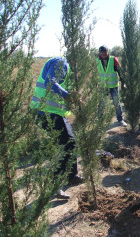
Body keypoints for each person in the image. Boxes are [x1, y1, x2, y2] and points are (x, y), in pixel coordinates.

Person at [30, 57, 84, 199]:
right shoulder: (61, 62)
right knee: (63, 146)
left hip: (54, 112)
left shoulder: (68, 69)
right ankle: (55, 187)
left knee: (70, 143)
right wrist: (68, 95)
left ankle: (72, 175)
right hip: (45, 112)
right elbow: (50, 82)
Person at [97, 45, 127, 126]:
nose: (103, 56)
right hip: (103, 86)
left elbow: (120, 71)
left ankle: (120, 120)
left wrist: (123, 84)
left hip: (113, 86)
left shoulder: (113, 59)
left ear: (108, 52)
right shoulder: (97, 60)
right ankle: (99, 121)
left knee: (117, 103)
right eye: (102, 54)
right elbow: (96, 73)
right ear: (99, 53)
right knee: (101, 103)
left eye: (105, 54)